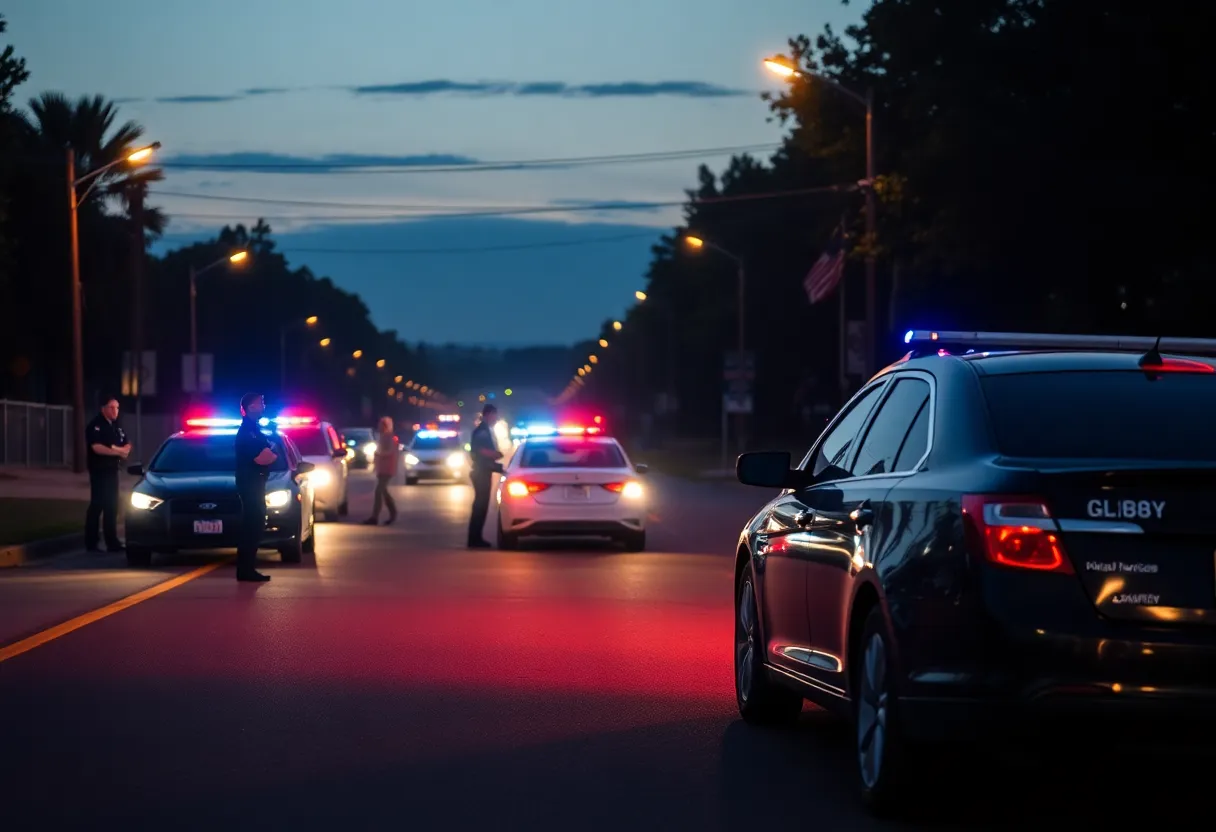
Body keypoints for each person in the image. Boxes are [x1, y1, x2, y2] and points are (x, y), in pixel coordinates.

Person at [234, 392, 276, 582]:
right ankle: (245, 570)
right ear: (251, 407)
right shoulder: (247, 431)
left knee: (256, 524)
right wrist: (271, 453)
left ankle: (248, 568)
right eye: (261, 403)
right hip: (250, 481)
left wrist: (270, 452)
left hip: (256, 481)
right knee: (252, 524)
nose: (263, 405)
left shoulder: (255, 429)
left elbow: (269, 452)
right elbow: (262, 457)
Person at [85, 395, 130, 552]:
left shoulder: (116, 427)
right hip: (99, 471)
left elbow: (127, 448)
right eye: (111, 407)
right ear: (102, 408)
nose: (115, 411)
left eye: (117, 407)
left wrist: (114, 449)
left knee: (112, 506)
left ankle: (112, 542)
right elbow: (96, 447)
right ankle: (91, 542)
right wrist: (116, 451)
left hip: (112, 471)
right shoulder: (96, 425)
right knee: (97, 504)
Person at [467, 403, 503, 548]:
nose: (496, 418)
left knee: (481, 506)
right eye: (494, 415)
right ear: (488, 415)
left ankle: (476, 538)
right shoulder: (482, 431)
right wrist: (494, 454)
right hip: (481, 472)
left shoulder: (485, 430)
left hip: (484, 471)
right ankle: (474, 539)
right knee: (480, 506)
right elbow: (479, 450)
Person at [363, 416, 398, 525]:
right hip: (382, 468)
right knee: (383, 491)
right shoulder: (382, 437)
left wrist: (379, 454)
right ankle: (393, 513)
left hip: (387, 469)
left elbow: (390, 452)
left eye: (382, 425)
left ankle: (375, 517)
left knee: (379, 491)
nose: (380, 426)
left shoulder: (389, 437)